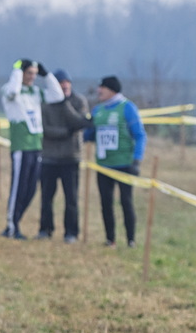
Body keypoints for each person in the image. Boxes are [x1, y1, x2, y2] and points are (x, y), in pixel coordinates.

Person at [0, 60, 63, 239]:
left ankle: (15, 221)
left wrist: (47, 75)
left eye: (35, 74)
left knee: (31, 189)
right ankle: (12, 226)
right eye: (29, 73)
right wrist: (17, 71)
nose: (32, 77)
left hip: (36, 145)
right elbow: (13, 91)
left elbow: (57, 96)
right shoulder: (9, 90)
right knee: (18, 188)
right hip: (21, 146)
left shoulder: (35, 92)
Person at [84, 76, 146, 247]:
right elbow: (89, 135)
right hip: (103, 165)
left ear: (111, 90)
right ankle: (110, 239)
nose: (98, 91)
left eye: (102, 88)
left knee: (126, 202)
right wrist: (84, 126)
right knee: (106, 203)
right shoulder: (97, 110)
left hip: (124, 164)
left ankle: (130, 239)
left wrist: (137, 160)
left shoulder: (127, 108)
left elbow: (140, 135)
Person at [38, 69, 90, 241]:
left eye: (67, 84)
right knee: (46, 197)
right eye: (61, 85)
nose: (65, 87)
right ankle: (45, 229)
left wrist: (64, 103)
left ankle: (71, 232)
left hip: (71, 156)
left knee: (72, 198)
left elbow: (79, 122)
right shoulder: (45, 103)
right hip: (49, 157)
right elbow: (45, 129)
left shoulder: (78, 101)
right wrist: (66, 132)